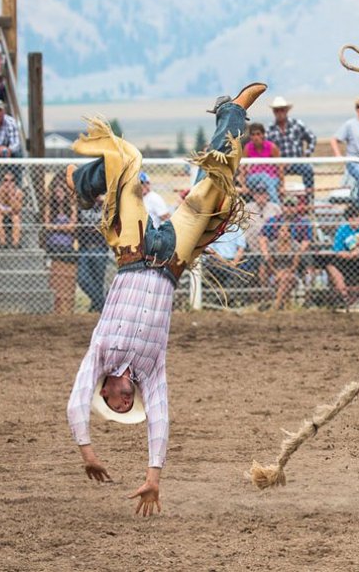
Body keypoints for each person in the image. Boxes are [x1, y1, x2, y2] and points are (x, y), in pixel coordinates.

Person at [65, 81, 267, 515]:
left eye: (114, 403)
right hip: (172, 259)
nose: (122, 404)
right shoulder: (150, 372)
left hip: (133, 250)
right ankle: (231, 113)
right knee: (215, 187)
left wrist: (87, 452)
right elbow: (161, 421)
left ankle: (84, 182)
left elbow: (74, 401)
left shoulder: (98, 357)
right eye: (123, 406)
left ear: (103, 391)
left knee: (129, 164)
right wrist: (153, 478)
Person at [258, 194, 313, 310]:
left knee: (307, 259)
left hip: (296, 255)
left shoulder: (303, 222)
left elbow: (306, 241)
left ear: (297, 207)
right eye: (287, 205)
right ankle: (267, 297)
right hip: (276, 255)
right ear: (282, 207)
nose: (289, 208)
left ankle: (307, 297)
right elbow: (262, 238)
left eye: (292, 205)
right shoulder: (273, 221)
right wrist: (266, 254)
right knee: (263, 262)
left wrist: (298, 252)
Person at [265, 96, 316, 201]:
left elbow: (312, 138)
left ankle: (309, 200)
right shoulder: (269, 129)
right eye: (276, 110)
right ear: (273, 112)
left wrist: (306, 154)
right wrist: (276, 163)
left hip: (297, 161)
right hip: (278, 165)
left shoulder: (297, 124)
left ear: (287, 110)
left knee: (308, 169)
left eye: (282, 109)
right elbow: (267, 148)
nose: (279, 112)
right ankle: (277, 202)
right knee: (270, 178)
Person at [42, 176, 78, 314]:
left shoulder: (71, 207)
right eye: (56, 191)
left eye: (62, 190)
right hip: (53, 246)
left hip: (67, 246)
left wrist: (55, 227)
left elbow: (72, 227)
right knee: (55, 277)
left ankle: (66, 307)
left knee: (67, 276)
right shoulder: (49, 207)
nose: (59, 194)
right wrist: (63, 227)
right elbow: (46, 225)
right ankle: (56, 307)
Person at [76, 194, 109, 313]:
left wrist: (104, 200)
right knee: (82, 278)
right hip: (84, 247)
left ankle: (96, 307)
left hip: (100, 247)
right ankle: (103, 304)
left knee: (98, 282)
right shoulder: (82, 204)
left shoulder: (106, 204)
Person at [242, 122, 282, 203]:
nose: (255, 137)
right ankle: (277, 206)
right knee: (263, 176)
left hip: (272, 178)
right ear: (250, 136)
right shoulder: (247, 148)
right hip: (253, 178)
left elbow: (280, 166)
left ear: (263, 135)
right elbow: (242, 168)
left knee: (266, 179)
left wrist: (282, 185)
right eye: (253, 135)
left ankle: (272, 209)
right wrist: (243, 185)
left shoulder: (272, 147)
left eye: (258, 134)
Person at [0, 170, 23, 248]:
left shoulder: (18, 192)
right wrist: (4, 211)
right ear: (2, 182)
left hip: (13, 213)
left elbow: (17, 210)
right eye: (5, 180)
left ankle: (15, 243)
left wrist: (11, 196)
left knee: (16, 218)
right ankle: (2, 242)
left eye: (11, 181)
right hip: (0, 213)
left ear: (14, 183)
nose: (8, 183)